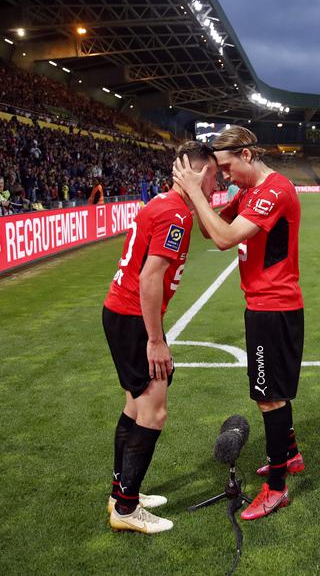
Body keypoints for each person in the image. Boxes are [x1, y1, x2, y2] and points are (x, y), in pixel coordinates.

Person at [172, 126, 305, 521]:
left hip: (274, 306)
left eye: (227, 167)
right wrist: (201, 191)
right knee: (273, 390)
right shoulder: (249, 192)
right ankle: (290, 455)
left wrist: (198, 194)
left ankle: (277, 489)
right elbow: (209, 229)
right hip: (263, 305)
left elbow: (226, 238)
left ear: (247, 155)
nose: (225, 176)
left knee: (269, 396)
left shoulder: (274, 190)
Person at [102, 141, 218, 535]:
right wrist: (156, 339)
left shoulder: (163, 205)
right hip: (136, 319)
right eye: (215, 175)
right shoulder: (174, 214)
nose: (217, 184)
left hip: (122, 313)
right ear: (199, 173)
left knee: (135, 407)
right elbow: (151, 277)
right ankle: (127, 508)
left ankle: (120, 492)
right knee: (155, 411)